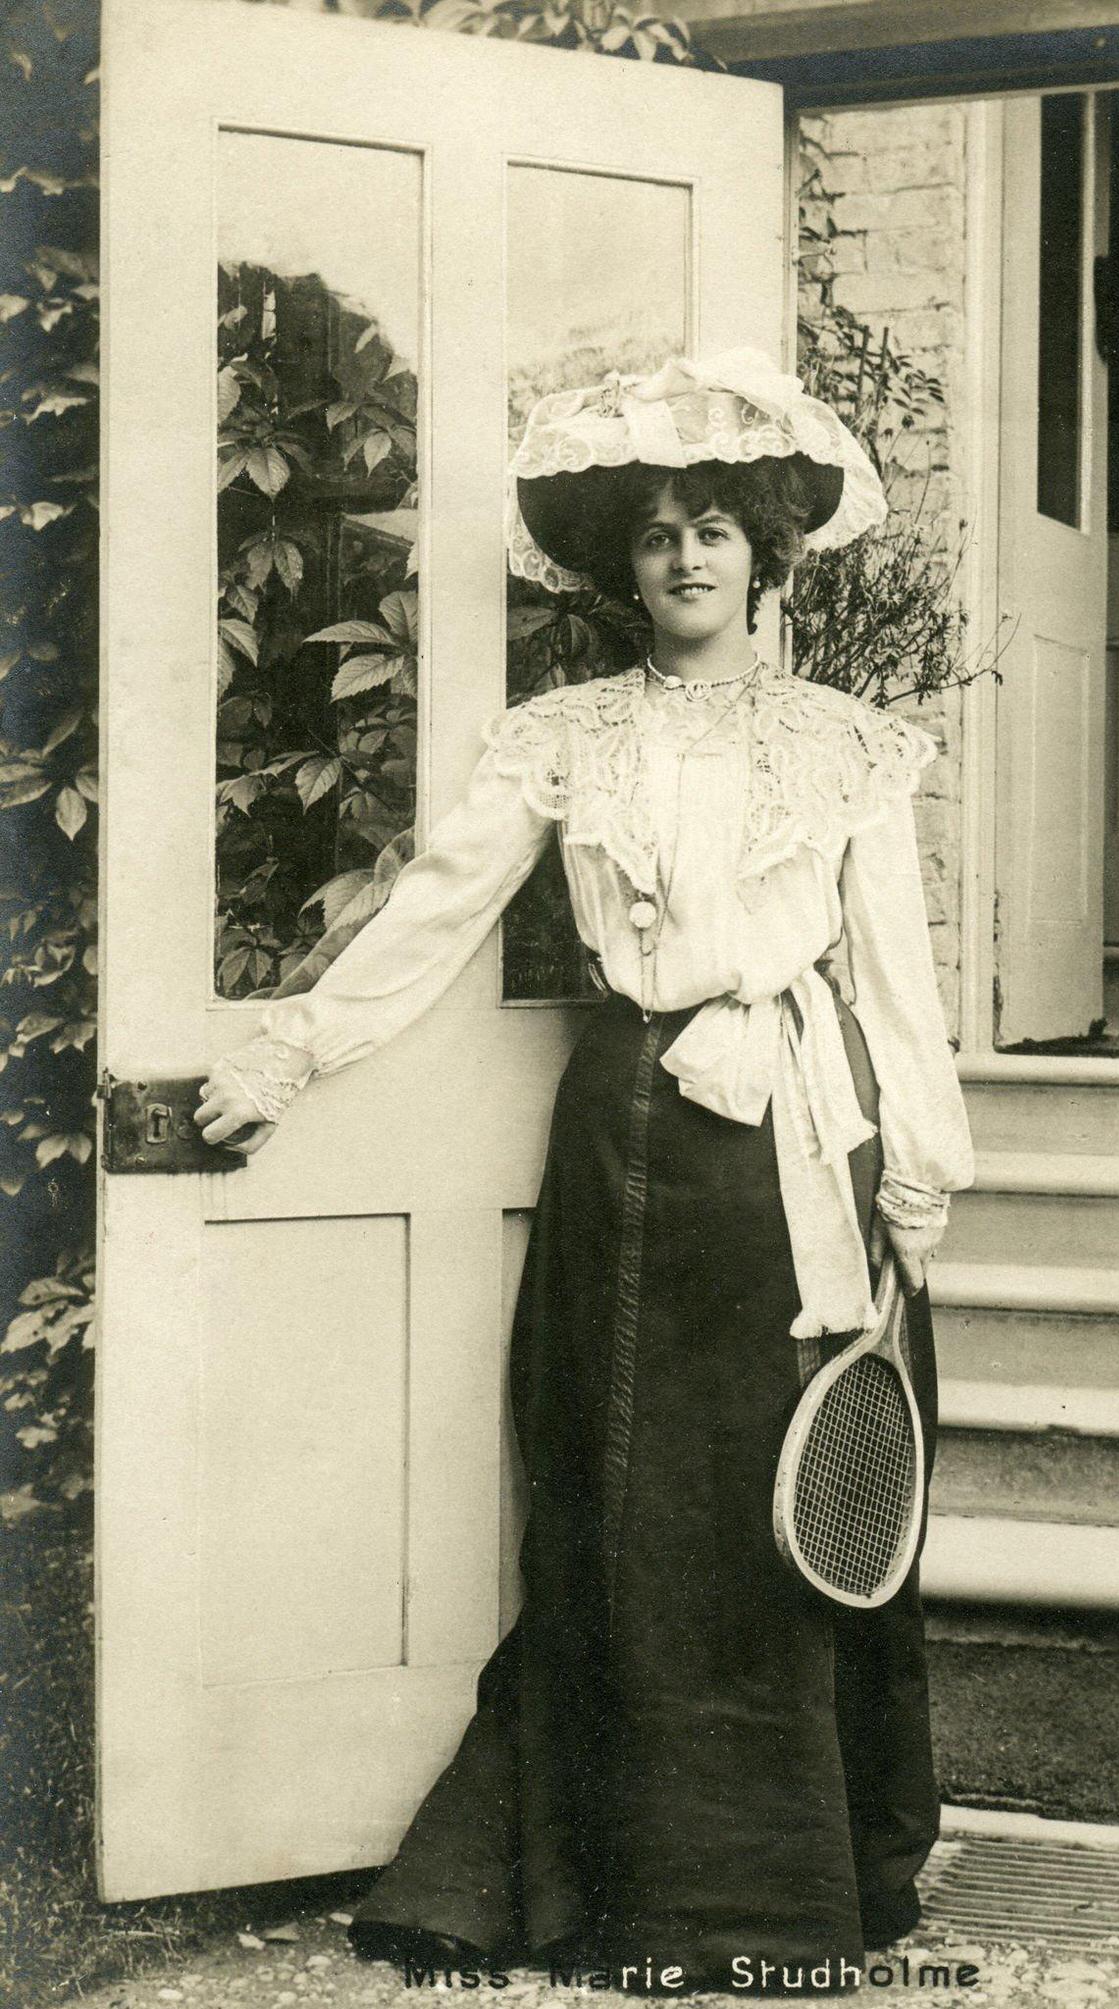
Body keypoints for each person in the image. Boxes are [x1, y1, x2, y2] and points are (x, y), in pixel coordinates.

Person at [196, 349, 975, 1991]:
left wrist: (920, 1168)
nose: (686, 557)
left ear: (769, 552)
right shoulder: (566, 739)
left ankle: (796, 1888)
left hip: (803, 1148)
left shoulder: (848, 747)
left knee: (788, 1501)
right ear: (623, 566)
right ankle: (629, 1887)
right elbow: (433, 911)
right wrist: (291, 1049)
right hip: (635, 1137)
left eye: (715, 529)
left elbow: (897, 982)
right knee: (628, 1494)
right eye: (655, 535)